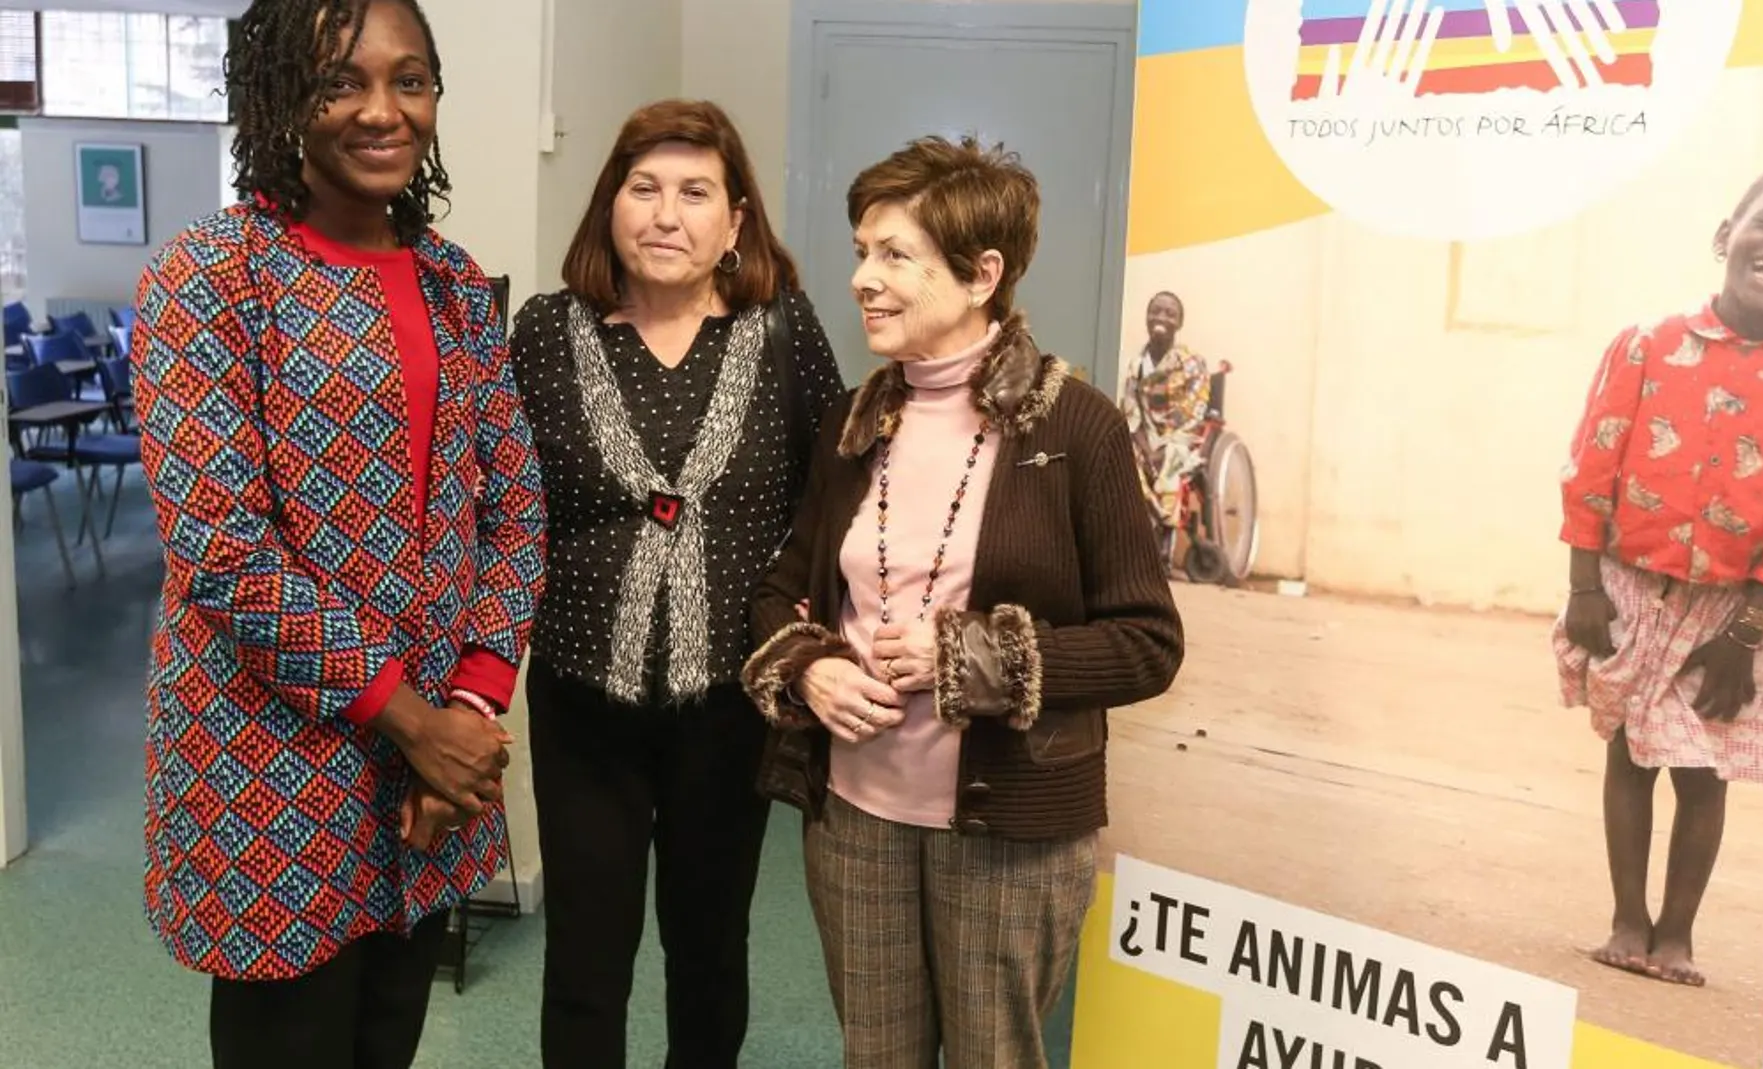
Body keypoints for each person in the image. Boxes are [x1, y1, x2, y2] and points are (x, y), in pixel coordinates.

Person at [130, 0, 547, 1065]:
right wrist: (411, 718)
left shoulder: (453, 284)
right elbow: (222, 545)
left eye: (409, 81)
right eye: (341, 82)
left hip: (425, 774)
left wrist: (466, 709)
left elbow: (513, 508)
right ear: (280, 94)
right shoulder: (212, 277)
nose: (381, 110)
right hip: (269, 760)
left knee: (386, 1037)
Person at [742, 135, 1184, 1068]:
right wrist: (809, 665)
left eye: (895, 255)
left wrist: (967, 658)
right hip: (856, 816)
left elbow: (1147, 642)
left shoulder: (1079, 428)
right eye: (863, 249)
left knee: (996, 1056)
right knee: (879, 1054)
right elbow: (788, 585)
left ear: (984, 274)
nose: (863, 277)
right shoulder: (853, 421)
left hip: (1013, 830)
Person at [507, 98, 846, 1067]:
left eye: (695, 192)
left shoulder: (782, 331)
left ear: (734, 222)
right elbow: (499, 502)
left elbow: (828, 496)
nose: (666, 214)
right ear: (608, 205)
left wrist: (809, 642)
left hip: (727, 707)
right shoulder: (543, 332)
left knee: (709, 947)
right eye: (643, 188)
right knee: (585, 955)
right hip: (581, 703)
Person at [1554, 156, 1763, 988]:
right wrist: (1584, 585)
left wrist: (1746, 628)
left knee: (1704, 772)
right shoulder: (1646, 345)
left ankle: (1677, 934)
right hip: (1629, 587)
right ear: (1726, 233)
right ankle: (1627, 920)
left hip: (1734, 610)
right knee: (1631, 753)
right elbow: (1592, 463)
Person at [1121, 289, 1211, 536]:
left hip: (1180, 440)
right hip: (1144, 440)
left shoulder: (1192, 364)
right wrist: (1147, 449)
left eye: (1170, 314)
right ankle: (1142, 531)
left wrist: (1163, 448)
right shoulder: (1136, 366)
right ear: (1147, 318)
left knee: (1170, 466)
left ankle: (1163, 533)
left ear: (1179, 323)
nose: (1161, 317)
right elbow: (1130, 413)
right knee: (1124, 463)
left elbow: (1193, 412)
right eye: (1155, 311)